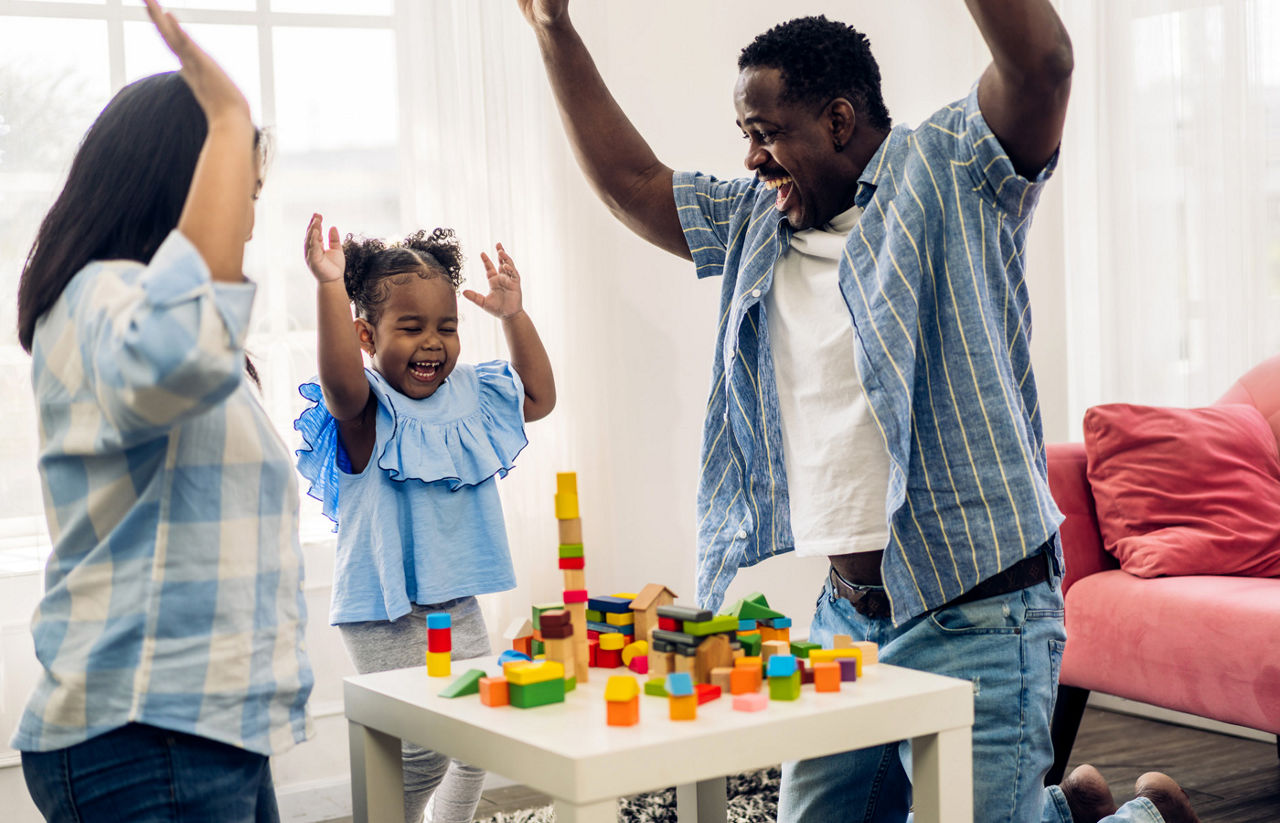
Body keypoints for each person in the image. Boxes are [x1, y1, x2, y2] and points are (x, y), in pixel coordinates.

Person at [516, 2, 1202, 822]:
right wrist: (553, 29)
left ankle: (1140, 817)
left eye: (764, 131)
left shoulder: (952, 172)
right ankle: (1062, 811)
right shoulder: (758, 221)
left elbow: (1044, 63)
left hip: (978, 607)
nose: (749, 154)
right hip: (847, 616)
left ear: (838, 120)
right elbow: (635, 186)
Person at [11, 2, 312, 820]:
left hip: (206, 731)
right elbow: (183, 352)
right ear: (184, 187)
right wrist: (228, 117)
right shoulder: (96, 301)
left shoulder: (156, 326)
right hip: (147, 733)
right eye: (240, 190)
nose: (249, 217)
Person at [295, 215, 554, 823]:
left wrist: (513, 315)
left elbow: (538, 397)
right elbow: (336, 383)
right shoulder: (365, 408)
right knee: (422, 754)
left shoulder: (473, 394)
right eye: (410, 328)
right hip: (384, 608)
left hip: (455, 600)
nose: (433, 342)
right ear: (367, 336)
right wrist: (330, 286)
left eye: (447, 326)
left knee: (473, 741)